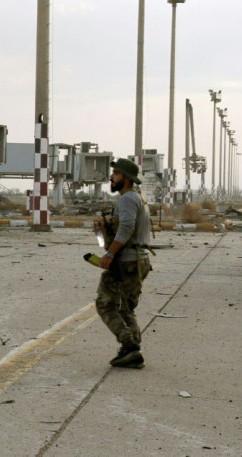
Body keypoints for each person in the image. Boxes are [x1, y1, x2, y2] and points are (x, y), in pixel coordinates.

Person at [94, 158, 153, 369]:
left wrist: (109, 254)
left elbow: (127, 228)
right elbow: (126, 226)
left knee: (105, 304)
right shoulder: (138, 198)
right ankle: (133, 352)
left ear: (126, 178)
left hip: (126, 262)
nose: (112, 176)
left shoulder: (127, 199)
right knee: (126, 308)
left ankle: (128, 345)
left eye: (116, 174)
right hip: (139, 260)